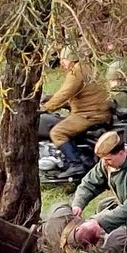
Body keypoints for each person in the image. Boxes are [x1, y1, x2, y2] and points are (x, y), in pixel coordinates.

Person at [40, 46, 112, 179]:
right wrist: (50, 99)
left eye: (64, 59)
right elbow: (75, 95)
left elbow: (65, 93)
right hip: (96, 110)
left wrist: (45, 108)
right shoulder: (87, 68)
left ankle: (75, 165)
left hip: (89, 115)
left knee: (57, 132)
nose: (61, 63)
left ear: (72, 59)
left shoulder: (77, 71)